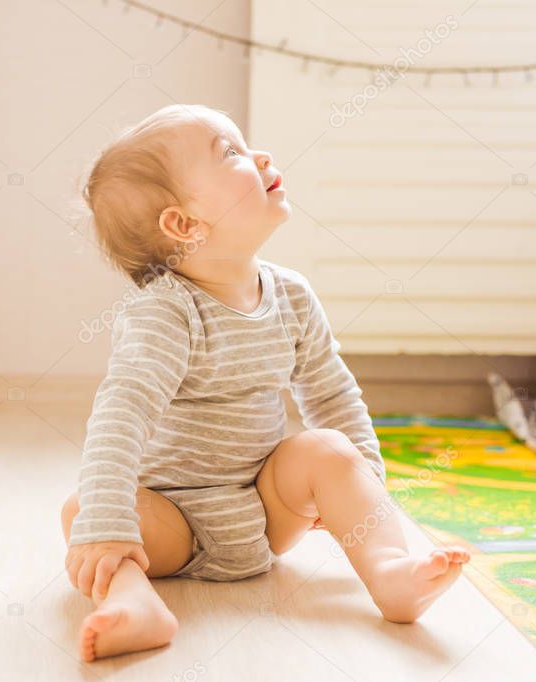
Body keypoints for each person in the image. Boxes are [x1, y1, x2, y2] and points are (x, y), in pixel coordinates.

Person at [60, 104, 470, 662]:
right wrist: (106, 521)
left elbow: (331, 393)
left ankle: (390, 574)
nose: (260, 156)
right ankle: (136, 604)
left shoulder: (293, 296)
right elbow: (122, 413)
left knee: (327, 448)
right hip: (172, 522)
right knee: (81, 507)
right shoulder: (165, 313)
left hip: (264, 509)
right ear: (185, 224)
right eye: (230, 152)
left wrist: (361, 491)